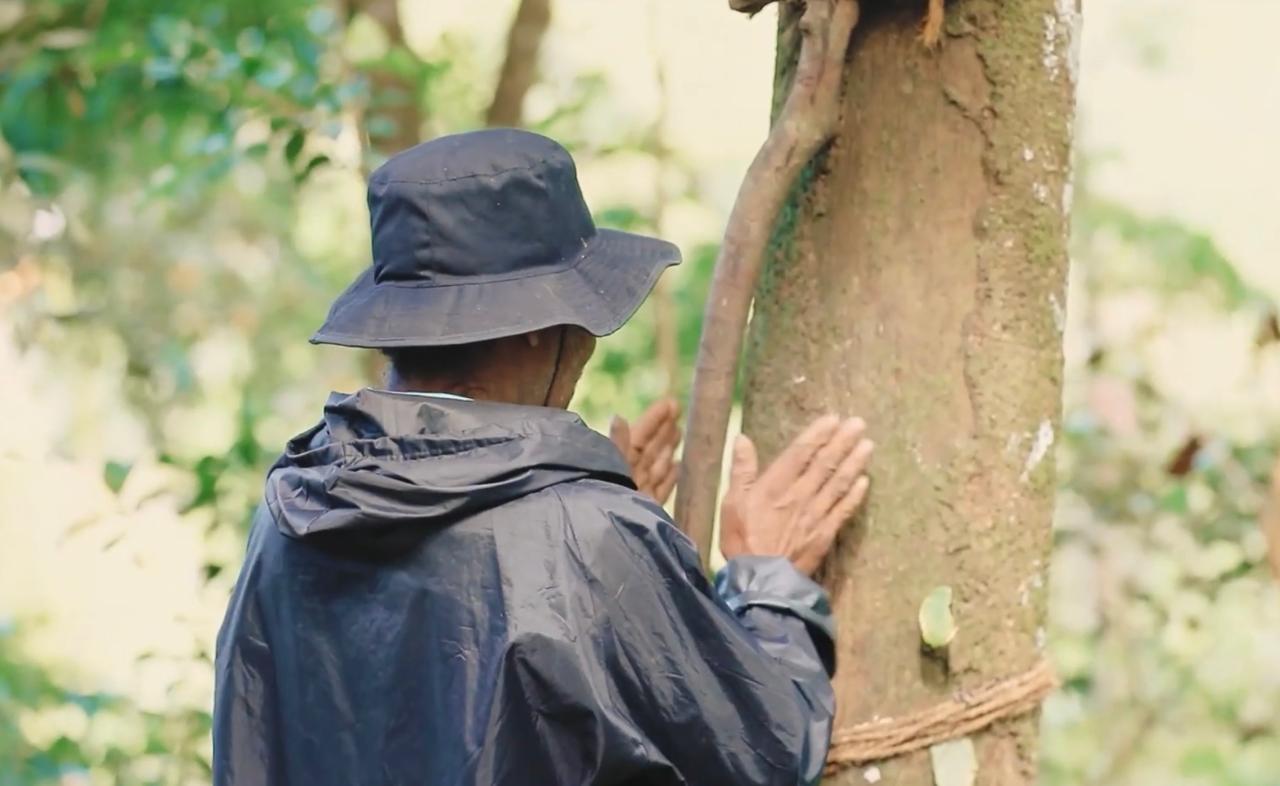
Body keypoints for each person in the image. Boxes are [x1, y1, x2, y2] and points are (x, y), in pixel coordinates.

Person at [212, 128, 874, 785]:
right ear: (539, 327)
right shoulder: (590, 537)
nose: (586, 343)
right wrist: (767, 581)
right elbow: (766, 752)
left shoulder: (289, 516)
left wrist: (608, 539)